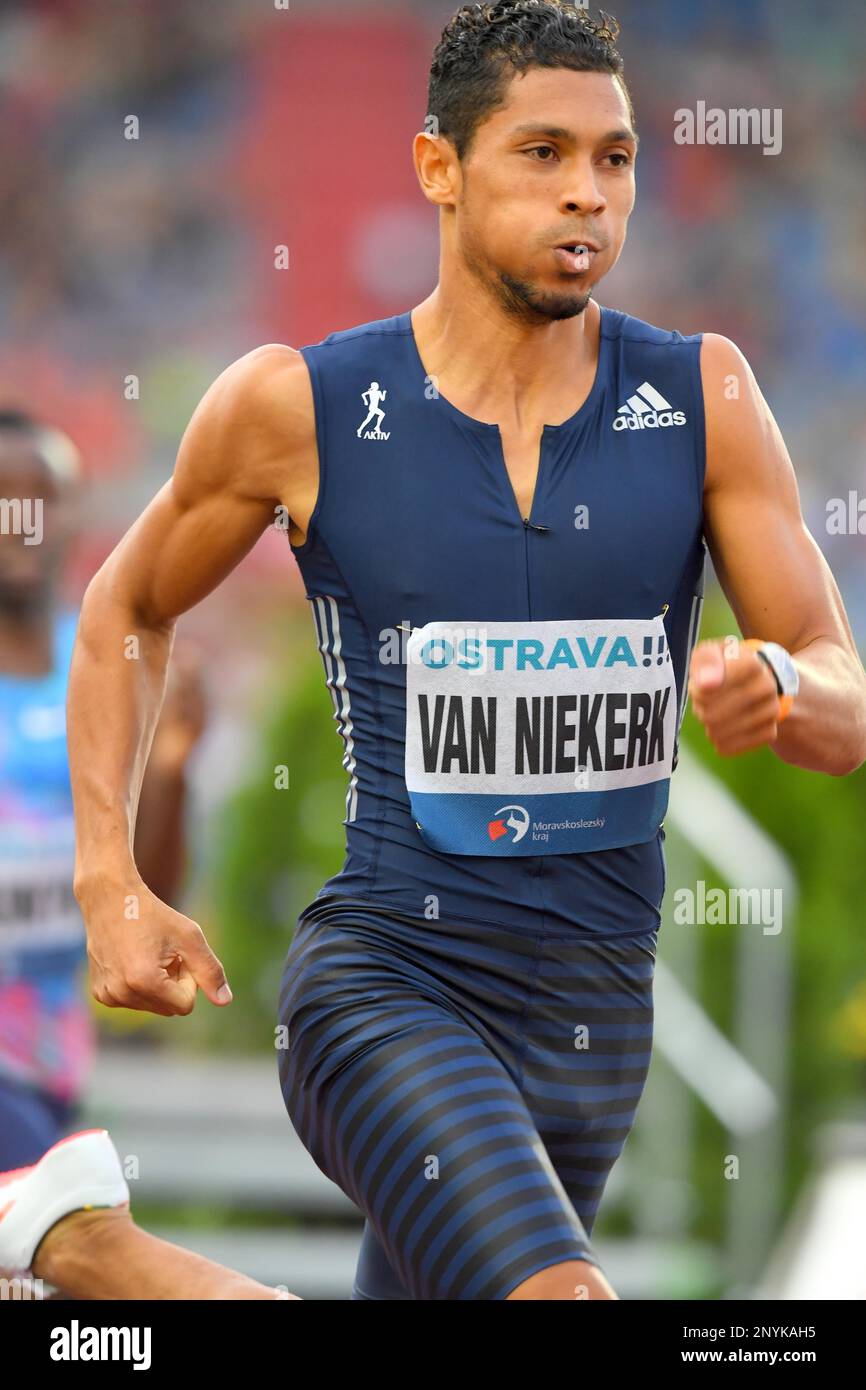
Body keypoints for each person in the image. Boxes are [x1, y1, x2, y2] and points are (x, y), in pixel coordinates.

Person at [47, 2, 866, 1300]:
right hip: (387, 983)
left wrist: (776, 681)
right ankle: (94, 1251)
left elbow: (841, 691)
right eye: (539, 153)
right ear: (438, 168)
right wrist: (108, 880)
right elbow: (126, 609)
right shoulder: (293, 406)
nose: (586, 196)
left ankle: (99, 1260)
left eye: (613, 158)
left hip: (596, 1024)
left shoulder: (701, 398)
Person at [0, 408, 205, 1172]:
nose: (20, 520)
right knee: (77, 1232)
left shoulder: (108, 677)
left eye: (42, 496)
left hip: (52, 1072)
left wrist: (172, 769)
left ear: (75, 514)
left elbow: (149, 897)